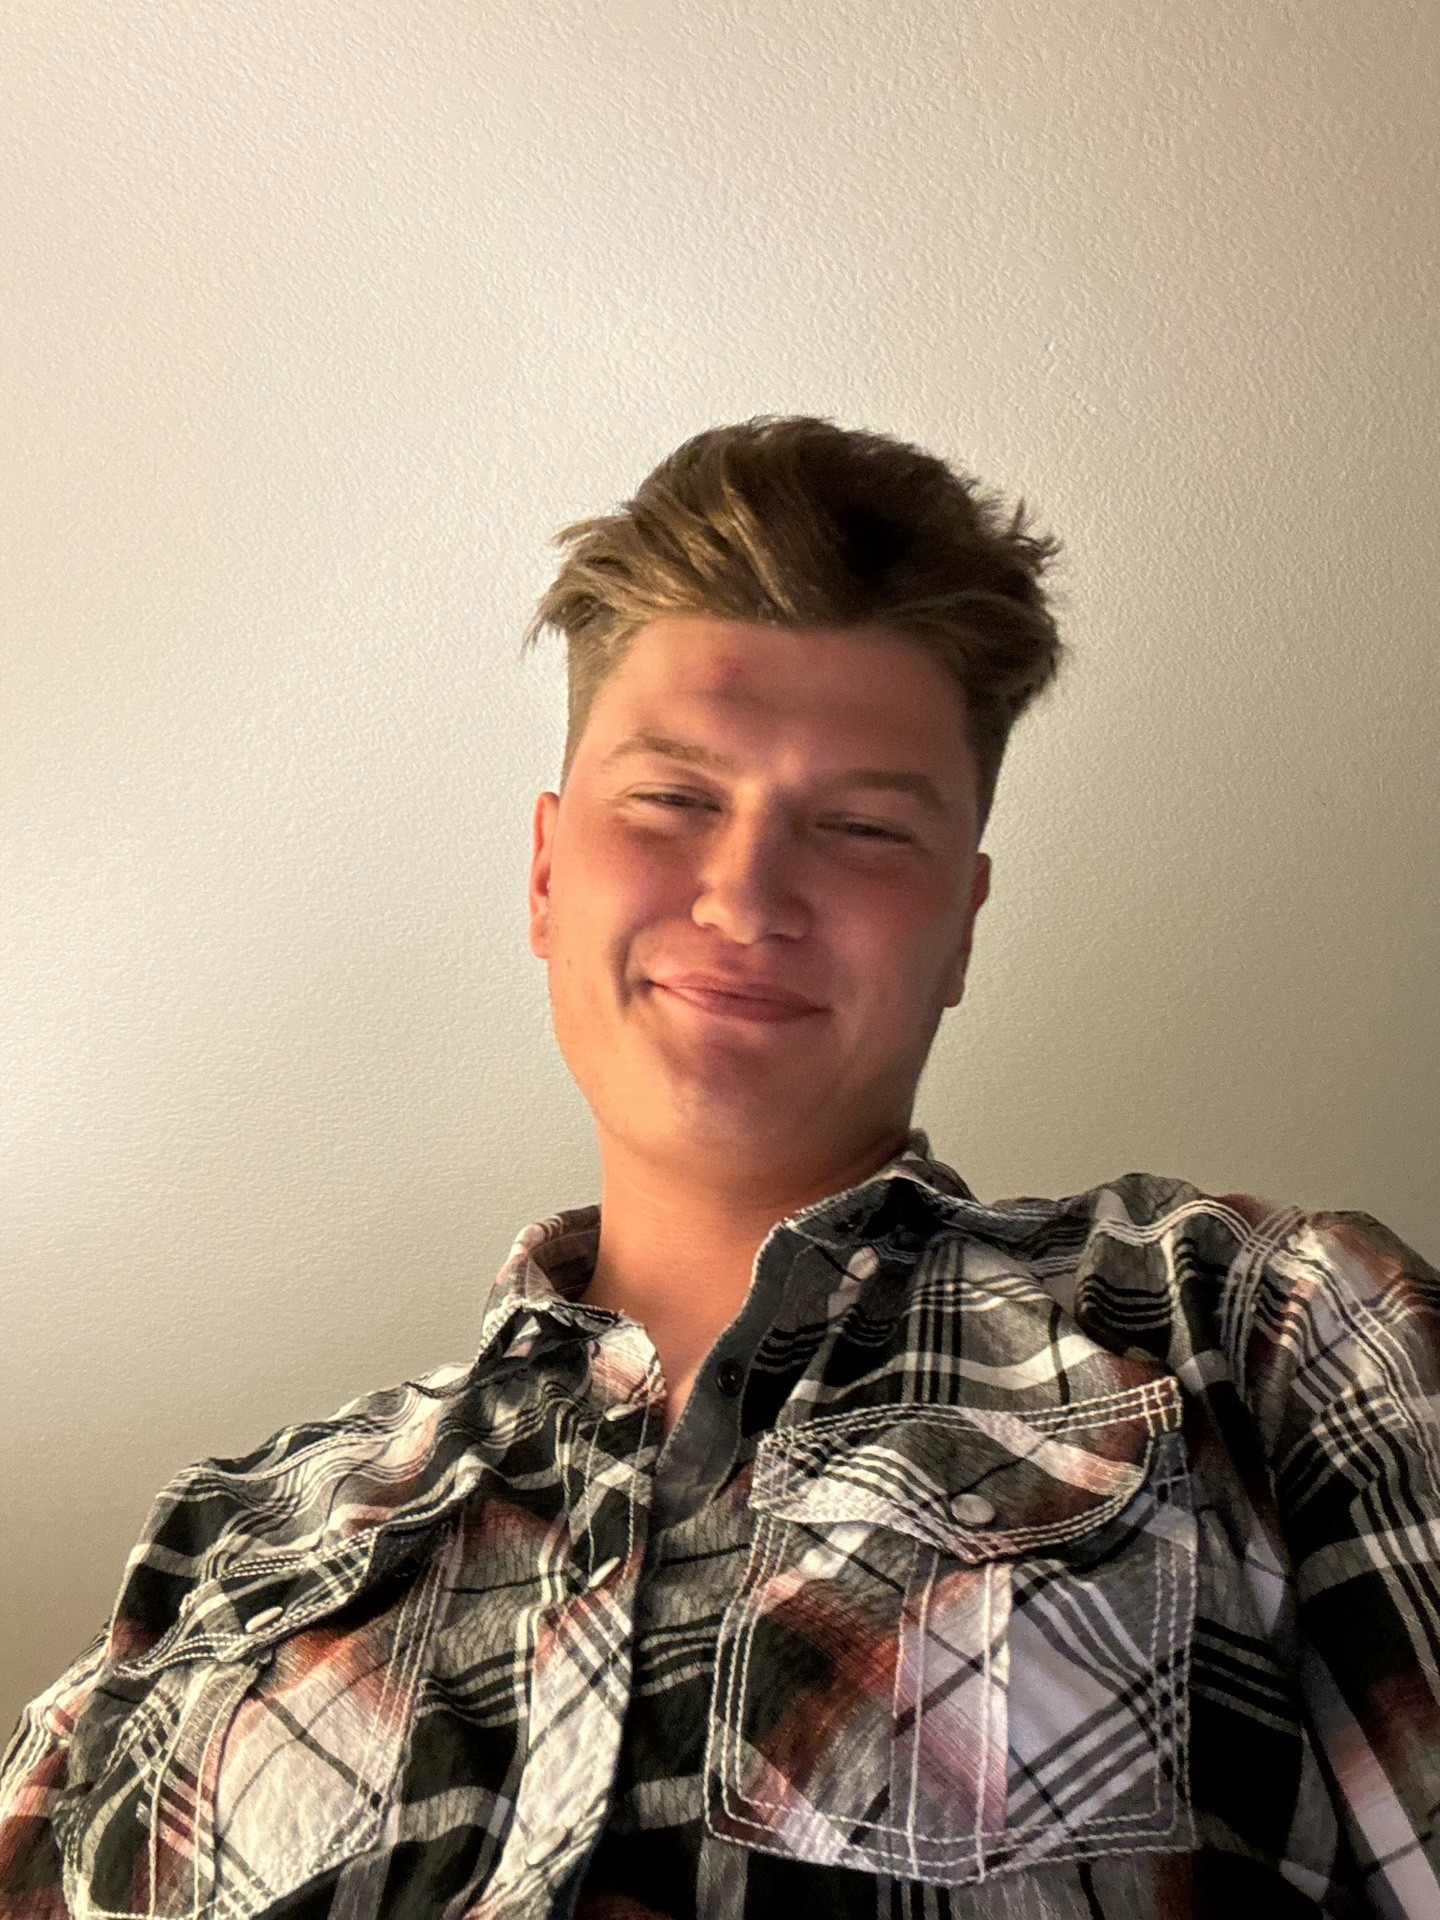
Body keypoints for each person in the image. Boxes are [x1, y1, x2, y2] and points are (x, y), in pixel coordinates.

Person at [2, 417, 1437, 1920]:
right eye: (674, 802)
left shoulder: (1264, 1332)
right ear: (547, 874)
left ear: (960, 930)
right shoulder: (223, 1545)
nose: (746, 897)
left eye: (863, 827)